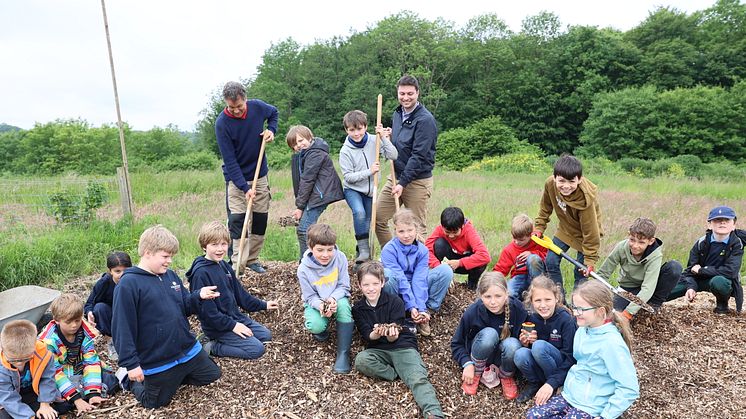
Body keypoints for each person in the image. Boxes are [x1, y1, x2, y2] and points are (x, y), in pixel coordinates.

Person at [112, 225, 222, 409]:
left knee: (211, 375)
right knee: (155, 402)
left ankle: (176, 376)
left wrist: (198, 295)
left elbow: (184, 306)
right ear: (148, 253)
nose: (169, 261)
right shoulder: (129, 284)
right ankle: (127, 378)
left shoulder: (170, 276)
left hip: (186, 350)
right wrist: (131, 365)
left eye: (171, 256)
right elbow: (122, 328)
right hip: (158, 358)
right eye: (165, 256)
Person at [526, 281, 639, 419]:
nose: (575, 312)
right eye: (575, 307)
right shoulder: (582, 330)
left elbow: (629, 388)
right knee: (532, 415)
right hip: (570, 396)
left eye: (581, 309)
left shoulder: (612, 344)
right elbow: (575, 362)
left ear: (600, 311)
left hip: (593, 406)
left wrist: (606, 416)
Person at [352, 262, 444, 419]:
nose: (371, 288)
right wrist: (376, 333)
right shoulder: (358, 308)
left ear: (382, 282)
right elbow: (367, 335)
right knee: (361, 360)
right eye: (366, 284)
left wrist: (390, 334)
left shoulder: (395, 301)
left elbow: (395, 334)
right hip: (378, 349)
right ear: (359, 285)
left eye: (375, 283)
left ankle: (433, 412)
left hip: (402, 346)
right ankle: (396, 374)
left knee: (417, 378)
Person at [186, 221, 279, 359]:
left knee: (266, 336)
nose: (220, 249)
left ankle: (228, 337)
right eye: (214, 244)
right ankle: (211, 346)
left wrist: (263, 304)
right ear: (204, 246)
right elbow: (208, 314)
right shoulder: (201, 274)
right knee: (256, 350)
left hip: (235, 317)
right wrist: (234, 326)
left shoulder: (223, 265)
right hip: (218, 326)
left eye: (223, 244)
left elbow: (241, 295)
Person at [215, 81, 279, 273]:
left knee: (260, 218)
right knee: (238, 220)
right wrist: (244, 187)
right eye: (231, 107)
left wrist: (271, 130)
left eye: (239, 106)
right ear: (226, 103)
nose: (236, 111)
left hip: (260, 174)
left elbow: (273, 113)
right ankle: (237, 265)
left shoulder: (258, 107)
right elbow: (230, 160)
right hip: (236, 180)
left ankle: (252, 259)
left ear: (245, 99)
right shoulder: (222, 124)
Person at [374, 75, 438, 245]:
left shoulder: (425, 120)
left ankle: (419, 266)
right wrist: (388, 137)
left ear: (417, 93)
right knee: (377, 218)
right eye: (402, 93)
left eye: (410, 93)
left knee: (415, 228)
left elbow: (418, 155)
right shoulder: (398, 113)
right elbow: (400, 144)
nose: (405, 97)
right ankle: (392, 256)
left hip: (417, 181)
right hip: (395, 176)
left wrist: (403, 183)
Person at [38, 293, 120, 415]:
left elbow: (91, 362)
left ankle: (87, 393)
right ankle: (76, 396)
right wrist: (76, 400)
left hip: (80, 371)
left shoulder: (85, 334)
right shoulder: (48, 342)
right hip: (60, 376)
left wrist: (93, 392)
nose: (74, 325)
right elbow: (54, 372)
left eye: (77, 320)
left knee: (112, 380)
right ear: (56, 320)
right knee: (59, 401)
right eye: (69, 322)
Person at [450, 272, 527, 399]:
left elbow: (524, 340)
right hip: (480, 354)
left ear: (506, 293)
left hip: (504, 358)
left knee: (512, 344)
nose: (493, 302)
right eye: (487, 297)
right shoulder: (473, 312)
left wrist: (526, 340)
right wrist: (467, 363)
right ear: (480, 296)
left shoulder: (517, 309)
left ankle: (506, 375)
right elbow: (456, 343)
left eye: (498, 296)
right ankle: (476, 372)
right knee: (490, 334)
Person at [534, 155, 603, 291]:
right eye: (561, 181)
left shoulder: (585, 201)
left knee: (580, 271)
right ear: (554, 178)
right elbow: (545, 207)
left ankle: (578, 305)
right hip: (565, 229)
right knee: (551, 261)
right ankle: (559, 298)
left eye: (571, 181)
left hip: (585, 236)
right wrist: (539, 227)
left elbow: (591, 232)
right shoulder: (550, 184)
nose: (566, 186)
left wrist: (589, 260)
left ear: (579, 179)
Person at [381, 209, 453, 337]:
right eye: (401, 231)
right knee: (387, 275)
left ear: (416, 230)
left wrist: (420, 308)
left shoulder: (422, 250)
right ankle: (398, 312)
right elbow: (401, 279)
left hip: (416, 284)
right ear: (395, 231)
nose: (406, 235)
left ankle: (426, 312)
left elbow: (419, 279)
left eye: (410, 230)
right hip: (398, 285)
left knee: (445, 270)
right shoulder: (389, 250)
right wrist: (411, 306)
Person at [339, 110, 398, 263]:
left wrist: (384, 138)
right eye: (352, 130)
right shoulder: (345, 151)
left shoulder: (375, 140)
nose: (356, 133)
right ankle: (364, 251)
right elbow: (348, 177)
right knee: (359, 213)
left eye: (359, 129)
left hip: (371, 190)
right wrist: (369, 172)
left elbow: (393, 155)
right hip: (353, 190)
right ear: (347, 130)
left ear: (365, 127)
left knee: (367, 222)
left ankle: (361, 256)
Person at [597, 217, 683, 319]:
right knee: (612, 315)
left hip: (650, 287)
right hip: (628, 289)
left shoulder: (655, 255)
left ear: (651, 241)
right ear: (629, 235)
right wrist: (598, 294)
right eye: (632, 240)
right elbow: (603, 274)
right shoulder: (621, 247)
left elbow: (648, 287)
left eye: (641, 242)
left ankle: (654, 304)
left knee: (674, 267)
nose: (635, 246)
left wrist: (628, 313)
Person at [297, 223, 354, 374]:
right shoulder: (303, 269)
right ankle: (323, 330)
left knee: (344, 307)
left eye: (330, 250)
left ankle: (343, 353)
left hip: (337, 297)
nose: (325, 254)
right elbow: (309, 297)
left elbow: (344, 286)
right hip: (317, 301)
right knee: (315, 325)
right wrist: (321, 306)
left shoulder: (340, 258)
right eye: (320, 250)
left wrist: (333, 299)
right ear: (310, 247)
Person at [667, 205, 744, 314]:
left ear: (733, 225)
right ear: (709, 224)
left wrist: (702, 270)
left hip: (724, 281)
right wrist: (691, 287)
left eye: (726, 220)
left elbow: (730, 272)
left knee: (719, 282)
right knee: (667, 290)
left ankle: (722, 304)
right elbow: (690, 271)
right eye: (717, 220)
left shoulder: (736, 244)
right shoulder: (700, 243)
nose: (722, 223)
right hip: (699, 279)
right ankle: (648, 304)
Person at [513, 275, 577, 404]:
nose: (543, 305)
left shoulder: (566, 320)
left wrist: (552, 382)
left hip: (560, 371)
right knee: (520, 353)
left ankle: (553, 387)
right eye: (538, 300)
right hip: (541, 367)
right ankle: (534, 384)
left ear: (556, 298)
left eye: (548, 299)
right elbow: (531, 352)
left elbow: (571, 358)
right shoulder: (531, 319)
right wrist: (526, 343)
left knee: (539, 346)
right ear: (531, 301)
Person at [287, 125, 344, 259]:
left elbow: (307, 180)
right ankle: (315, 258)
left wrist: (300, 207)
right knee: (306, 229)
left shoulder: (315, 154)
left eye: (301, 141)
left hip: (320, 195)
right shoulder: (306, 154)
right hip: (315, 195)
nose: (299, 145)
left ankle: (308, 262)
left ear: (309, 137)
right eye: (294, 144)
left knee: (303, 230)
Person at [0, 319, 67, 419]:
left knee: (53, 412)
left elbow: (47, 379)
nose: (19, 363)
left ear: (34, 347)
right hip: (8, 399)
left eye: (25, 359)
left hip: (33, 393)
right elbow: (7, 397)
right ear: (3, 348)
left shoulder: (44, 355)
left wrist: (45, 403)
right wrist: (28, 416)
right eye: (12, 360)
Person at [425, 207, 491, 290]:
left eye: (455, 232)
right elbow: (426, 250)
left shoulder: (469, 231)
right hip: (447, 263)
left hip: (466, 264)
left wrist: (459, 262)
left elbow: (485, 256)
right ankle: (443, 278)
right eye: (447, 232)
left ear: (462, 226)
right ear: (442, 227)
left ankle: (471, 286)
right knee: (439, 244)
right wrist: (438, 266)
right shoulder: (439, 230)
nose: (451, 236)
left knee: (481, 263)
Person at [84, 251, 132, 361]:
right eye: (117, 271)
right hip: (112, 315)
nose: (122, 274)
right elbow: (89, 303)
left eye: (125, 270)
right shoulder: (104, 283)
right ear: (110, 271)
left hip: (129, 314)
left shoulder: (134, 281)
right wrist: (89, 313)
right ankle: (112, 342)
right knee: (99, 307)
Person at [493, 214, 548, 298]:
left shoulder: (538, 242)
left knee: (533, 259)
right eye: (514, 238)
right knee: (509, 294)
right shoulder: (509, 249)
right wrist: (491, 281)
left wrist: (533, 253)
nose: (517, 242)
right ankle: (519, 304)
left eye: (521, 240)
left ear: (530, 235)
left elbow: (549, 257)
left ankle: (539, 294)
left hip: (538, 277)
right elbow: (500, 270)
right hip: (519, 277)